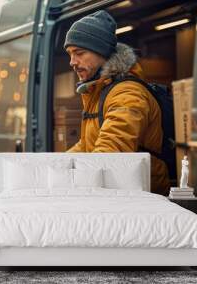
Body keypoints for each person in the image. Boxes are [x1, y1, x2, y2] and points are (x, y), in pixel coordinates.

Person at [64, 10, 169, 195]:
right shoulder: (100, 91)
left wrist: (69, 180)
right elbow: (87, 145)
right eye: (70, 54)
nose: (72, 62)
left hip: (143, 199)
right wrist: (56, 165)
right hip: (117, 192)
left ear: (101, 52)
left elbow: (111, 152)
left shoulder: (127, 94)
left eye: (79, 53)